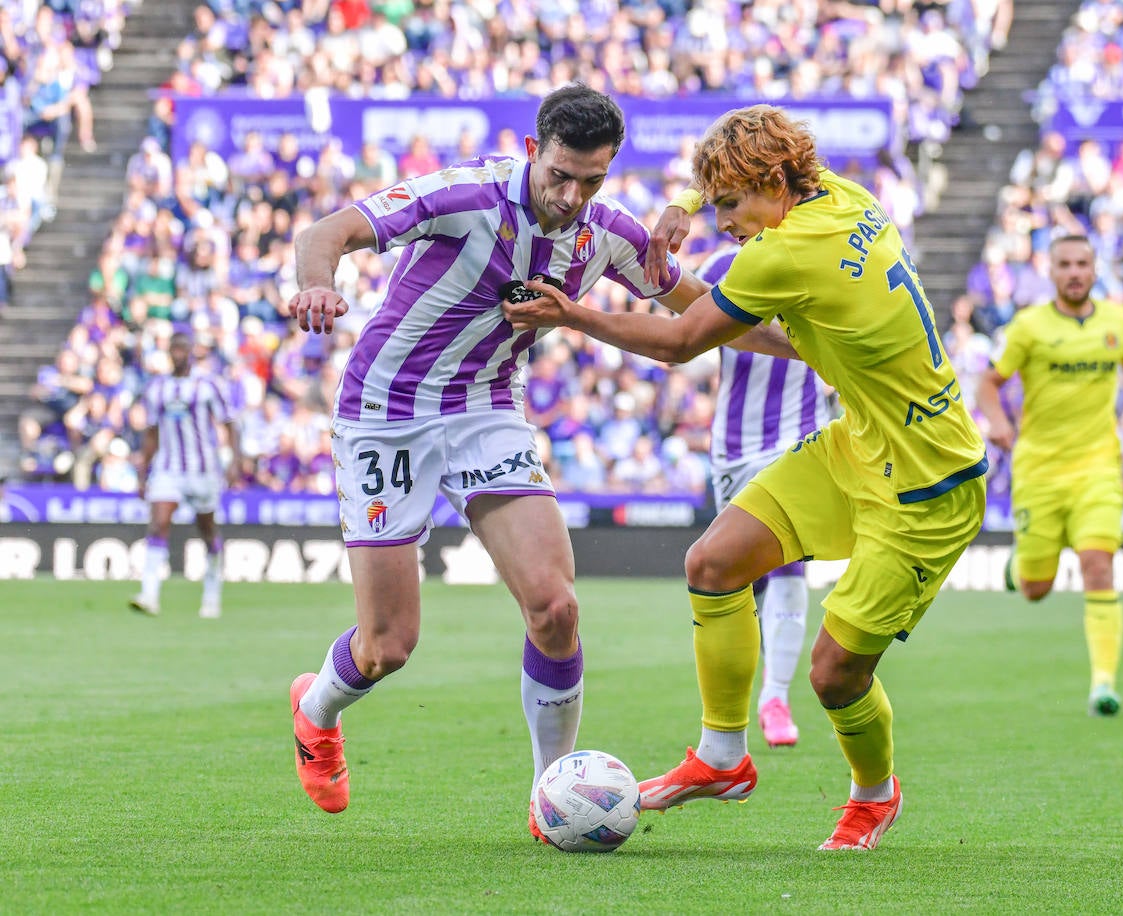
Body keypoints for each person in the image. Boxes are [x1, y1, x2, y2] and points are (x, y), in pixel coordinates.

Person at [284, 85, 791, 828]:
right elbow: (325, 233)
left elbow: (707, 314)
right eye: (561, 176)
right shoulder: (464, 194)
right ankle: (316, 712)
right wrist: (317, 287)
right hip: (385, 415)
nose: (572, 196)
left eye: (592, 181)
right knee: (389, 645)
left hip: (487, 409)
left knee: (555, 609)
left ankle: (552, 796)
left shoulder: (608, 232)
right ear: (532, 152)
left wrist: (812, 346)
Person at [505, 105, 988, 851]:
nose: (725, 223)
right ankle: (723, 756)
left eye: (731, 204)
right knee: (714, 562)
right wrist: (687, 203)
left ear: (770, 184)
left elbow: (676, 343)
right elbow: (756, 158)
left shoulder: (782, 255)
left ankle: (872, 795)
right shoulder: (842, 196)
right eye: (718, 205)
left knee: (834, 675)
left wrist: (575, 316)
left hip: (928, 486)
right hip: (860, 444)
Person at [975, 234, 1123, 717]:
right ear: (1051, 272)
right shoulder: (1028, 327)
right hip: (1040, 469)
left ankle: (1103, 684)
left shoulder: (1120, 322)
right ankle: (1019, 569)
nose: (1074, 272)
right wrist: (998, 422)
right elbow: (988, 382)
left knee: (1099, 563)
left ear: (1094, 270)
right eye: (1065, 264)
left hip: (1098, 466)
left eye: (1082, 264)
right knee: (1036, 588)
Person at [697, 243, 832, 748]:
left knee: (791, 562)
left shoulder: (819, 256)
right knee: (736, 575)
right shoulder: (717, 267)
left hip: (799, 436)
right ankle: (738, 692)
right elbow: (685, 338)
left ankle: (775, 696)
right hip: (733, 447)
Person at [130, 331, 240, 619]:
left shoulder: (207, 385)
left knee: (206, 530)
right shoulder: (157, 389)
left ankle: (212, 592)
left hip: (202, 469)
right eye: (173, 349)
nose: (177, 353)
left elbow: (229, 423)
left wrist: (235, 460)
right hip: (168, 468)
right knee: (158, 523)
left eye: (182, 348)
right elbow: (151, 433)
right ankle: (149, 594)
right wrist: (143, 472)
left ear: (190, 351)